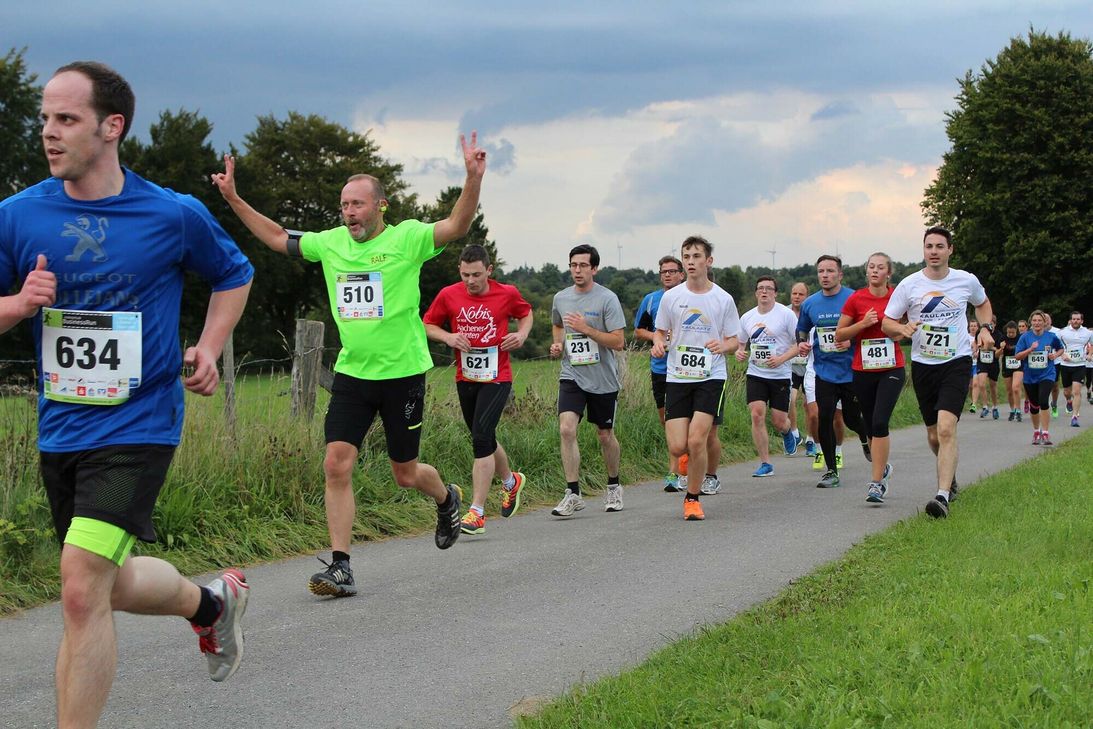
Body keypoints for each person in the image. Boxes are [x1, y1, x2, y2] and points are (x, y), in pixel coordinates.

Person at [0, 62, 254, 728]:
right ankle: (211, 604)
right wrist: (17, 304)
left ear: (111, 127)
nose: (48, 133)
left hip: (140, 424)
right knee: (101, 583)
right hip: (60, 428)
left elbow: (234, 273)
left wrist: (207, 344)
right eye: (45, 118)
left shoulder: (172, 213)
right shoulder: (17, 215)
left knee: (81, 589)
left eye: (66, 119)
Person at [214, 130, 489, 594]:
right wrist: (235, 199)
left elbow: (456, 226)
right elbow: (280, 237)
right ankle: (341, 566)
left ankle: (446, 498)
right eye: (343, 205)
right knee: (336, 464)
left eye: (357, 204)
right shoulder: (331, 244)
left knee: (406, 474)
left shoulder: (408, 238)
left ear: (381, 206)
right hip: (353, 373)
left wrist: (472, 178)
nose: (348, 213)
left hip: (402, 374)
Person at [882, 226, 994, 519]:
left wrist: (984, 328)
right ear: (924, 250)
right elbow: (887, 322)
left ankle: (942, 496)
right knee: (933, 435)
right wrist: (901, 328)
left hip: (956, 362)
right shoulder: (910, 285)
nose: (934, 251)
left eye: (939, 246)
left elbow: (982, 304)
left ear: (950, 250)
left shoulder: (965, 280)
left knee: (946, 427)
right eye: (929, 246)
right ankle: (951, 475)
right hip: (923, 365)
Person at [422, 244, 533, 534]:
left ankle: (476, 511)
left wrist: (521, 335)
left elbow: (526, 313)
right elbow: (428, 325)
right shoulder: (449, 294)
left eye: (476, 275)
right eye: (465, 275)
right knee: (482, 435)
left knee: (481, 437)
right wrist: (448, 337)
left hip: (498, 375)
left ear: (489, 271)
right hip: (466, 376)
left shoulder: (506, 293)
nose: (470, 281)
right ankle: (511, 482)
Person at [651, 236, 740, 521]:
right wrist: (658, 343)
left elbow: (734, 341)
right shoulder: (672, 297)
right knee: (679, 447)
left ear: (708, 261)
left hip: (710, 375)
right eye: (686, 256)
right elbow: (660, 330)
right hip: (678, 376)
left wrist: (722, 346)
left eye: (696, 256)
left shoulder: (722, 298)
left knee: (698, 438)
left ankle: (692, 498)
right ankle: (688, 458)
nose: (691, 261)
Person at [548, 244, 626, 515]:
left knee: (605, 436)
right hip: (572, 374)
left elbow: (618, 342)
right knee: (566, 429)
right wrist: (558, 344)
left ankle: (614, 486)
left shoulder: (607, 299)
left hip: (603, 378)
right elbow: (558, 324)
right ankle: (573, 492)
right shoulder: (561, 298)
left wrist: (586, 329)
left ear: (594, 269)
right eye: (573, 265)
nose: (577, 270)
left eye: (582, 265)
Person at [835, 252, 904, 503]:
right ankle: (882, 466)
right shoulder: (856, 299)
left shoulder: (898, 297)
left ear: (889, 273)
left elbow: (906, 328)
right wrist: (863, 324)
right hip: (863, 370)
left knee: (879, 422)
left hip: (892, 368)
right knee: (869, 423)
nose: (874, 271)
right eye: (871, 267)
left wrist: (900, 330)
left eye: (880, 267)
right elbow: (839, 335)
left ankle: (876, 483)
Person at [796, 255, 868, 489]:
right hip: (824, 371)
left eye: (829, 271)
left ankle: (864, 436)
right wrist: (802, 344)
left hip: (851, 371)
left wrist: (851, 341)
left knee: (851, 418)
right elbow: (802, 331)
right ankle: (831, 471)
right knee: (823, 418)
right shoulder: (810, 304)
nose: (824, 276)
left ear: (840, 274)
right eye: (820, 271)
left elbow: (868, 330)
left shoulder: (854, 298)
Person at [735, 276, 799, 477]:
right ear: (756, 293)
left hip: (780, 374)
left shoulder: (786, 315)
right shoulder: (747, 317)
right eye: (760, 288)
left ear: (775, 293)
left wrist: (781, 359)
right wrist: (739, 352)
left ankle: (788, 433)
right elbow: (740, 344)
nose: (764, 292)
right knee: (756, 414)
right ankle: (765, 463)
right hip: (756, 373)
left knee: (779, 421)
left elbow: (799, 344)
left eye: (769, 289)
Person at [634, 255, 686, 491]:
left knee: (691, 423)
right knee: (667, 421)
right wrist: (658, 338)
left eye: (672, 271)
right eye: (663, 271)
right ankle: (675, 469)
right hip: (661, 368)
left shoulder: (691, 297)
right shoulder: (651, 300)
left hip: (688, 370)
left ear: (681, 274)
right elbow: (639, 331)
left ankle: (683, 470)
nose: (667, 275)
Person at [1014, 311, 1064, 444]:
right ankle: (1036, 431)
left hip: (1047, 374)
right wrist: (1030, 350)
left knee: (1043, 401)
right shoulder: (1025, 337)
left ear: (1044, 322)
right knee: (1034, 405)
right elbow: (1017, 356)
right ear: (1031, 323)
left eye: (1039, 320)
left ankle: (1046, 433)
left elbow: (1061, 349)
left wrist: (1055, 355)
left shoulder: (1051, 337)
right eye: (1034, 321)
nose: (1037, 323)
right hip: (1030, 376)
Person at [1055, 310, 1091, 427]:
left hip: (1080, 365)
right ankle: (1068, 401)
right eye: (1074, 319)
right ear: (1070, 320)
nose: (1075, 321)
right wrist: (1062, 354)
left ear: (1082, 320)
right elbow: (1055, 345)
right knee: (1067, 392)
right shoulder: (1062, 332)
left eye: (1078, 319)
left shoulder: (1087, 332)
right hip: (1065, 365)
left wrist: (1090, 354)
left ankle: (1074, 416)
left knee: (1076, 391)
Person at [787, 282, 810, 452]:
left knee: (809, 404)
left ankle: (811, 438)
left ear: (806, 296)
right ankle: (795, 434)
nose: (796, 297)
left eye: (800, 294)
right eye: (794, 293)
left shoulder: (811, 311)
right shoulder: (784, 313)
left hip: (809, 364)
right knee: (791, 399)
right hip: (792, 365)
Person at [975, 316, 1002, 419]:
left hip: (993, 362)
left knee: (993, 386)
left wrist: (992, 348)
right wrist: (976, 350)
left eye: (992, 324)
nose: (990, 326)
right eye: (988, 324)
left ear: (995, 324)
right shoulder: (980, 332)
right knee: (981, 384)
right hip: (982, 361)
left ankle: (995, 407)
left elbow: (1000, 352)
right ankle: (985, 406)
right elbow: (976, 344)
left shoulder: (998, 335)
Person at [998, 321, 1023, 421]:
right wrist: (1001, 348)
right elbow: (997, 355)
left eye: (1013, 332)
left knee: (1016, 388)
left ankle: (1018, 410)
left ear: (1016, 331)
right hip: (1007, 366)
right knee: (1009, 391)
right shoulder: (1003, 338)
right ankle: (1012, 410)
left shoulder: (1021, 338)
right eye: (1009, 333)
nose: (1011, 335)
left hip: (1018, 365)